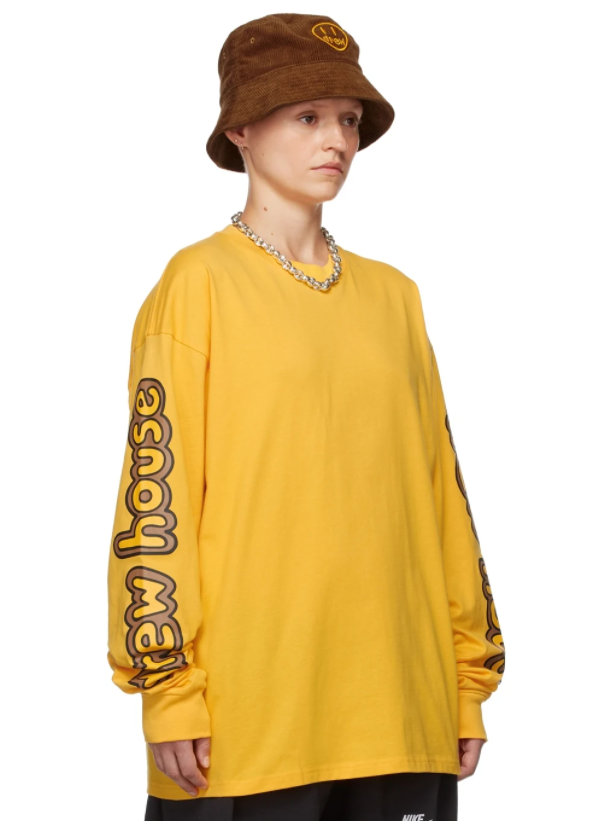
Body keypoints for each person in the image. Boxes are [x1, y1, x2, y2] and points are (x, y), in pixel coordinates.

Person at [106, 12, 505, 821]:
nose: (337, 142)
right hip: (250, 723)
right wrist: (169, 689)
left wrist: (468, 681)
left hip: (404, 707)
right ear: (242, 130)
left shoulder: (395, 296)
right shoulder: (197, 285)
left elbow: (442, 499)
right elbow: (157, 496)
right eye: (307, 116)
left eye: (349, 120)